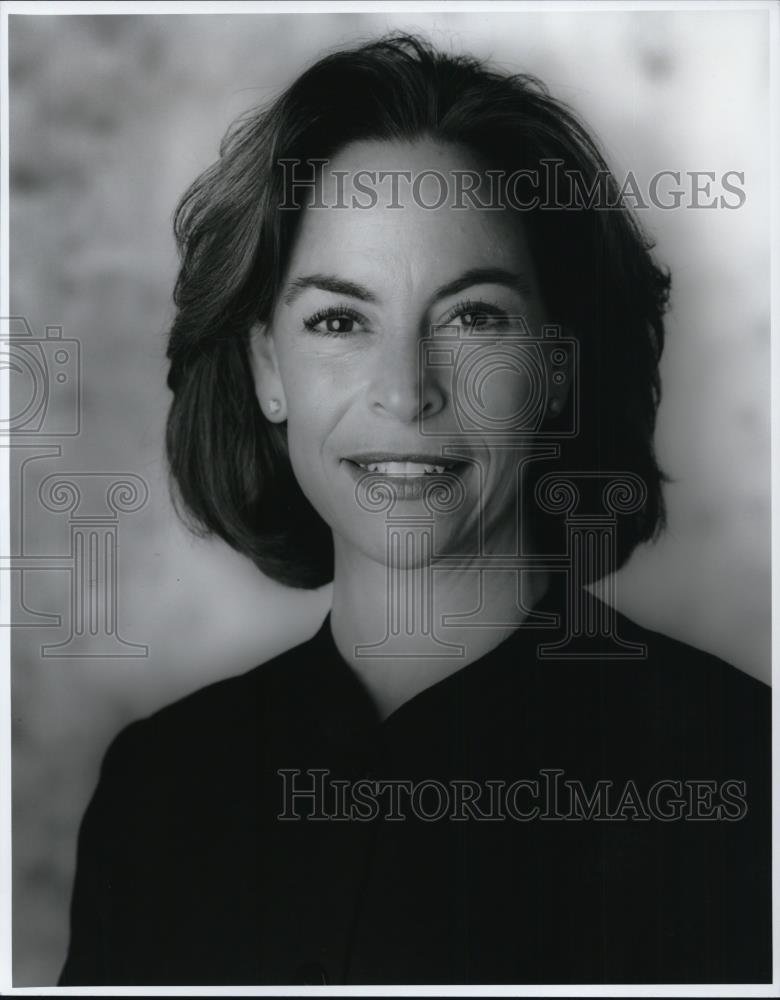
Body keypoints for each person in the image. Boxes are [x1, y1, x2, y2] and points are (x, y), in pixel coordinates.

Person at [58, 33, 771, 985]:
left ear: (557, 368)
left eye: (474, 317)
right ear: (268, 366)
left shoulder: (738, 774)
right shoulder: (162, 790)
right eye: (339, 321)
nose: (407, 391)